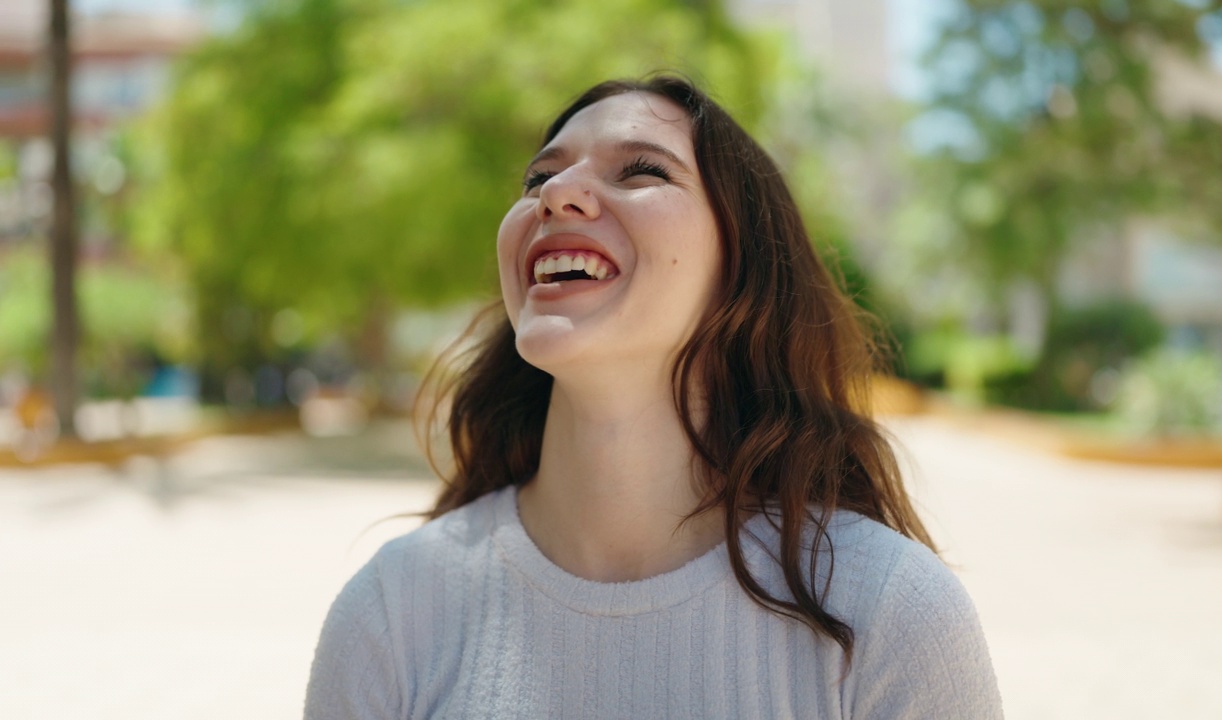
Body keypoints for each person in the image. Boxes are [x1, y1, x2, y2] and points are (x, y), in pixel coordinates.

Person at [304, 76, 1003, 719]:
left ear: (742, 269)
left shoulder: (888, 612)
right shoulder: (392, 612)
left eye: (641, 170)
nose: (556, 194)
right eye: (539, 178)